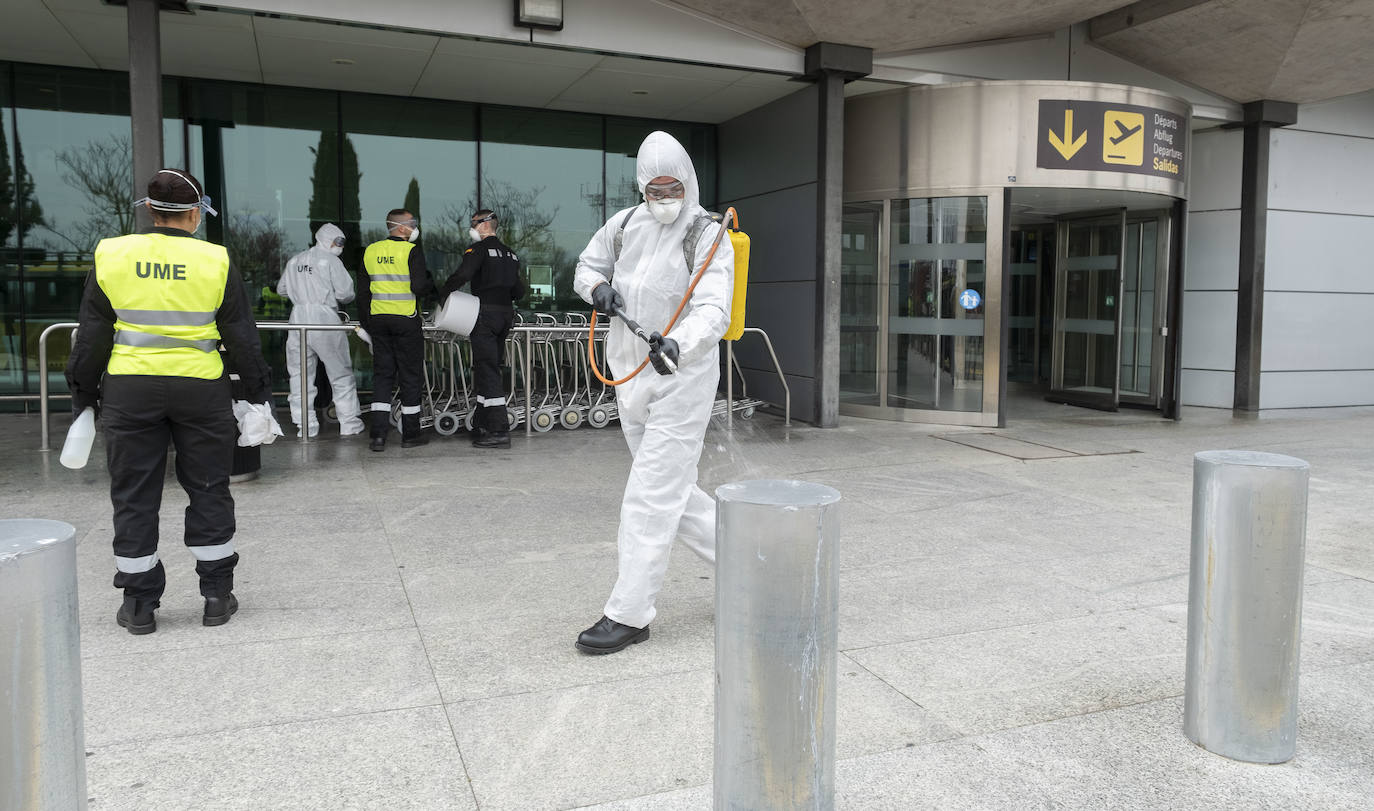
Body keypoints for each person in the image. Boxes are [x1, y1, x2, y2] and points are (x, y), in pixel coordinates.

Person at [65, 168, 272, 634]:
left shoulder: (112, 253)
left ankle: (140, 604)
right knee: (209, 487)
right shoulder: (216, 260)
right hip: (200, 388)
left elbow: (92, 334)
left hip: (130, 388)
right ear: (195, 214)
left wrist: (83, 392)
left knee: (134, 494)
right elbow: (241, 335)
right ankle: (217, 595)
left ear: (150, 210)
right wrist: (258, 394)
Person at [572, 131, 733, 654]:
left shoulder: (708, 234)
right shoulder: (623, 226)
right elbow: (586, 266)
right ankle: (754, 565)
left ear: (688, 181)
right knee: (673, 492)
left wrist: (679, 343)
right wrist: (596, 288)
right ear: (642, 188)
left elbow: (713, 309)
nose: (664, 198)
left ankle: (629, 613)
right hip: (629, 373)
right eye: (654, 190)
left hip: (680, 378)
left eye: (672, 188)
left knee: (648, 495)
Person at [438, 209, 527, 449]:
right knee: (489, 367)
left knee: (487, 370)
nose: (472, 227)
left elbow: (463, 274)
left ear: (484, 225)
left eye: (473, 223)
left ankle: (499, 430)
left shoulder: (477, 250)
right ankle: (481, 423)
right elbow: (519, 291)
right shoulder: (511, 255)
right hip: (505, 315)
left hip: (484, 314)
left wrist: (442, 295)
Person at [277, 223, 364, 438]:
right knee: (340, 372)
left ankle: (305, 425)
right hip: (324, 317)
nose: (340, 246)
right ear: (327, 239)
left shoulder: (295, 260)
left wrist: (302, 295)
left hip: (297, 318)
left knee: (299, 374)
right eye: (338, 241)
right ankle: (349, 423)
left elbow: (282, 289)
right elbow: (346, 293)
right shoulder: (331, 261)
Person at [357, 208, 434, 451]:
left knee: (382, 376)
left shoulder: (370, 251)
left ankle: (378, 436)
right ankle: (410, 434)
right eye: (412, 224)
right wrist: (432, 284)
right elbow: (419, 287)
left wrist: (368, 324)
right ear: (401, 228)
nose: (414, 228)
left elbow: (362, 293)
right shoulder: (412, 251)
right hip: (406, 321)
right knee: (410, 376)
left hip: (379, 321)